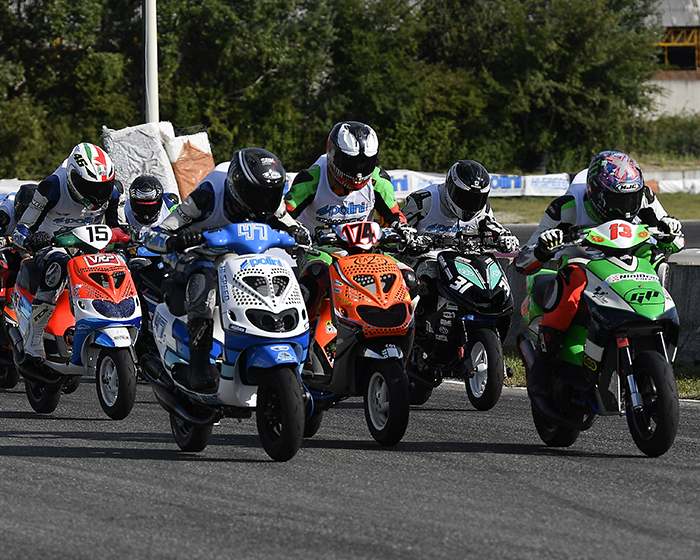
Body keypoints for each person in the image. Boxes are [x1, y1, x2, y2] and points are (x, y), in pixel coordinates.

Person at [514, 150, 684, 399]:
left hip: (627, 257)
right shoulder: (566, 207)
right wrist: (543, 247)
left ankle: (655, 323)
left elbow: (675, 239)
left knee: (655, 257)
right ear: (596, 194)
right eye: (617, 201)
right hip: (581, 260)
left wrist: (671, 229)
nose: (626, 209)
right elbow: (522, 260)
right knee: (571, 280)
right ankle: (543, 364)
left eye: (630, 200)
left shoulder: (644, 197)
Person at [145, 147, 310, 393]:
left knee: (287, 277)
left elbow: (296, 229)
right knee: (202, 279)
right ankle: (200, 364)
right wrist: (177, 239)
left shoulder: (271, 203)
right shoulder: (208, 195)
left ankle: (294, 351)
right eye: (257, 195)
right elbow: (159, 231)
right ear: (236, 186)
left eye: (270, 195)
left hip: (245, 256)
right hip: (201, 253)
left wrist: (300, 235)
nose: (264, 202)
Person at [284, 121, 410, 314]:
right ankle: (306, 329)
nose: (358, 172)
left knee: (408, 279)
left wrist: (403, 229)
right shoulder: (310, 179)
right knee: (315, 279)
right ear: (332, 154)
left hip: (365, 250)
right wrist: (294, 232)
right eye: (350, 162)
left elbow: (393, 216)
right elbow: (284, 215)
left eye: (364, 163)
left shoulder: (379, 181)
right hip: (319, 250)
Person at [12, 142, 122, 360]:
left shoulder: (115, 191)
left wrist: (128, 237)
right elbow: (21, 230)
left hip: (91, 247)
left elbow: (116, 227)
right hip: (53, 246)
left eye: (103, 187)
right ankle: (35, 336)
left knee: (124, 262)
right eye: (90, 187)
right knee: (59, 265)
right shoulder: (51, 187)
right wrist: (32, 240)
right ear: (72, 178)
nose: (98, 195)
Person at [401, 159, 520, 323]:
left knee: (491, 284)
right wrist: (410, 239)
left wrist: (505, 237)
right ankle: (416, 325)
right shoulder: (424, 200)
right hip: (425, 257)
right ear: (450, 187)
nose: (471, 204)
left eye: (477, 199)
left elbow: (493, 226)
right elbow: (399, 226)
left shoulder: (482, 208)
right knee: (428, 279)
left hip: (463, 259)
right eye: (464, 197)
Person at [124, 175, 179, 239]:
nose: (146, 212)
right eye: (141, 208)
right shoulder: (123, 209)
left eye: (150, 208)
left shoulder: (170, 207)